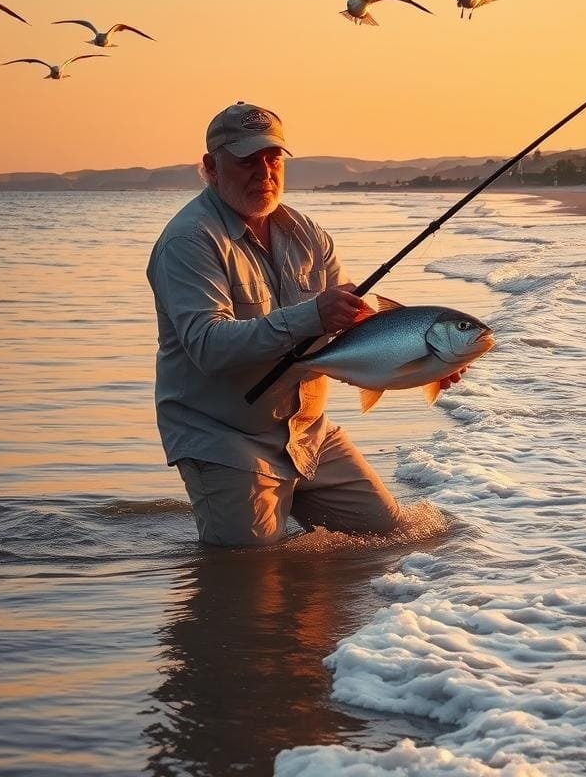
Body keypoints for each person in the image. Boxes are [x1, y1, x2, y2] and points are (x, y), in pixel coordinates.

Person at [146, 102, 463, 547]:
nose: (264, 172)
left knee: (398, 538)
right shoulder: (189, 241)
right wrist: (310, 315)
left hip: (308, 431)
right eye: (246, 160)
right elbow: (208, 346)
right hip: (223, 437)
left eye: (272, 158)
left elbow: (352, 326)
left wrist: (420, 359)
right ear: (211, 167)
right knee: (247, 572)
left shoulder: (307, 232)